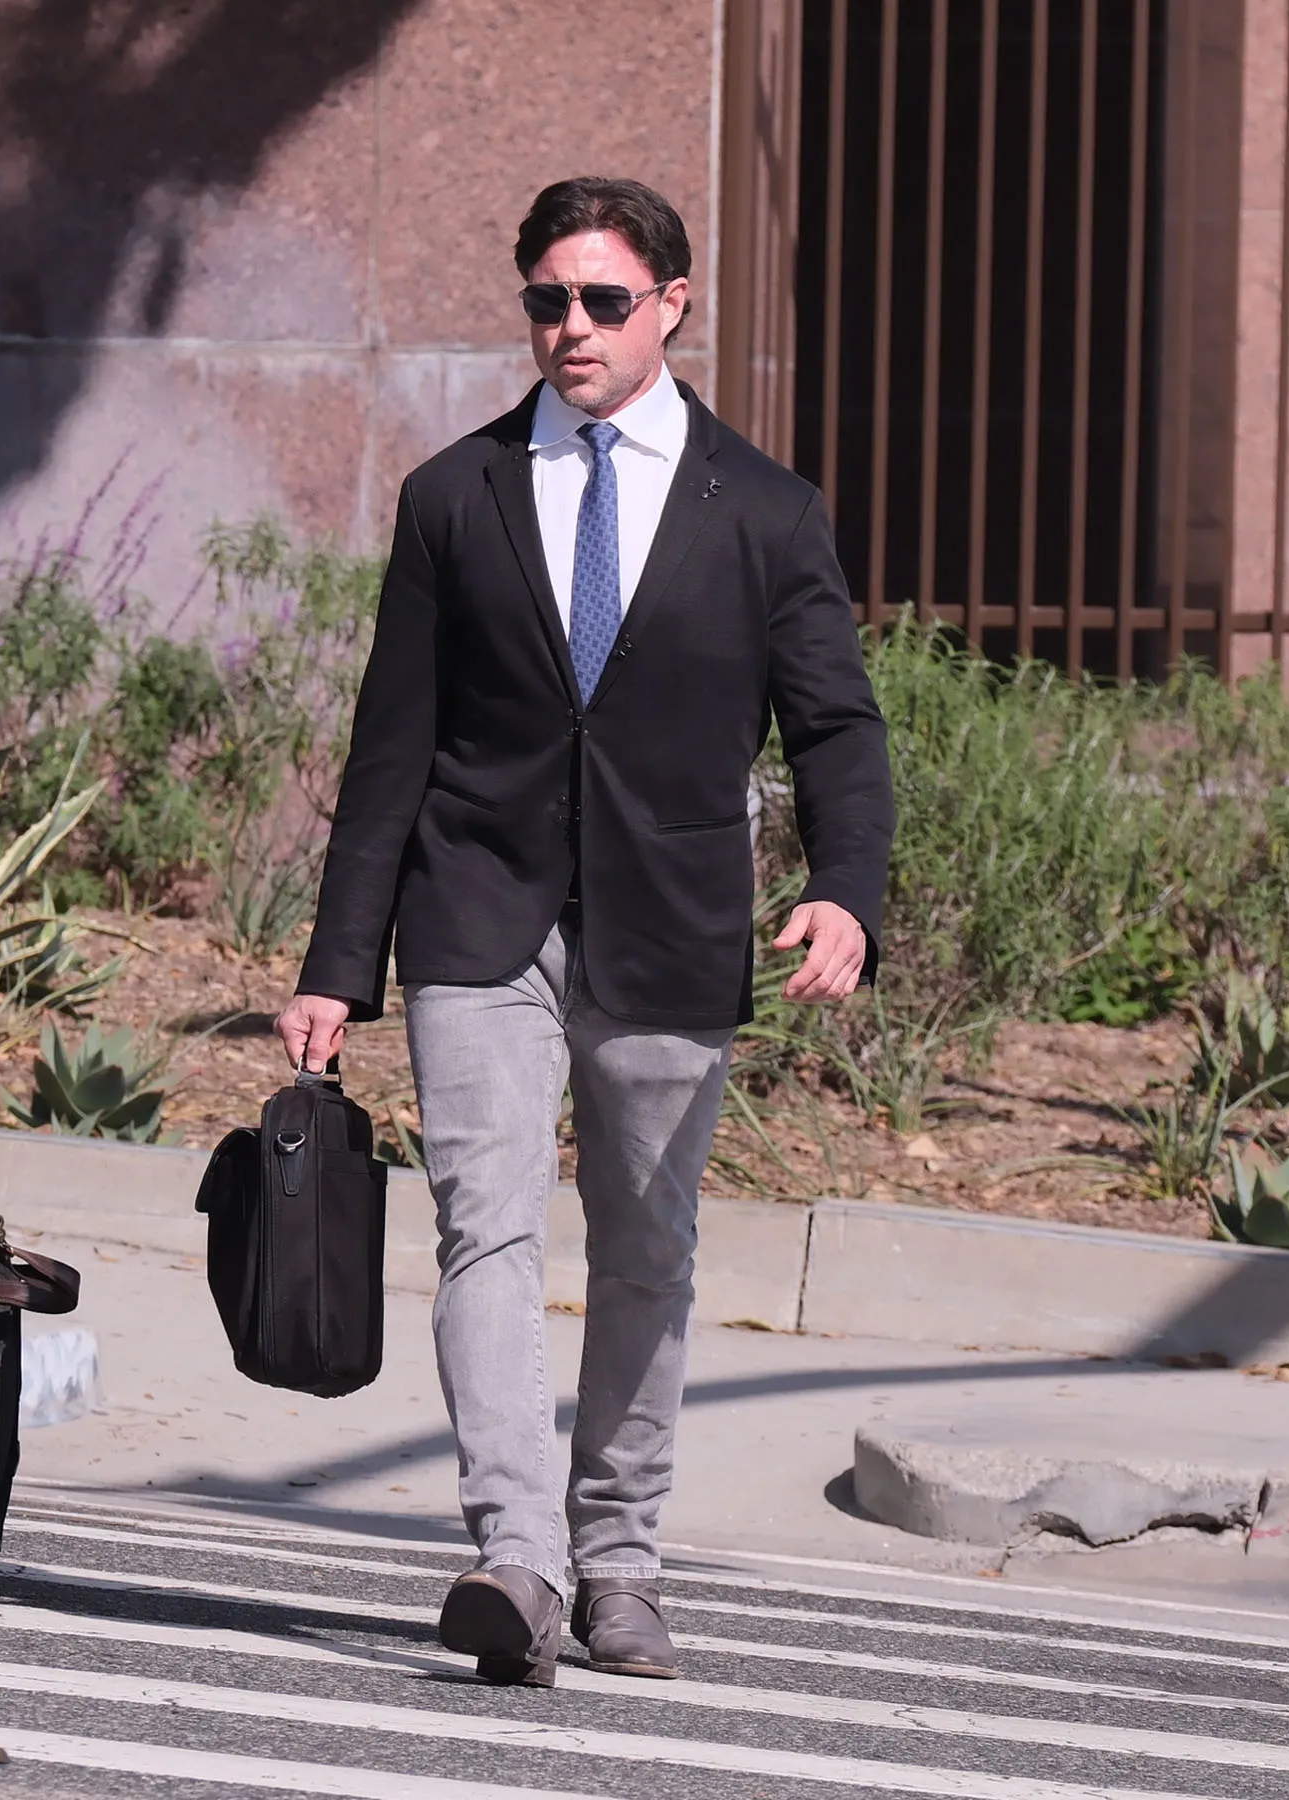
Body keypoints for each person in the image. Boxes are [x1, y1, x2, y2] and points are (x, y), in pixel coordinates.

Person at [277, 177, 893, 1686]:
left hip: (673, 927)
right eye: (547, 298)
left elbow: (837, 728)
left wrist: (845, 890)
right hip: (479, 920)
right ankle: (519, 1561)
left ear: (673, 304)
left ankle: (620, 1560)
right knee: (485, 1228)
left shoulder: (764, 509)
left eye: (603, 301)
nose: (571, 328)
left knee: (647, 1256)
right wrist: (335, 968)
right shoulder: (454, 497)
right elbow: (390, 748)